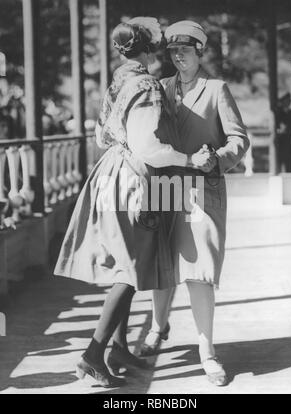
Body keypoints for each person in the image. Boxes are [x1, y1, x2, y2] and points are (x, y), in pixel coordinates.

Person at [54, 17, 206, 388]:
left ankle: (118, 347)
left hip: (113, 173)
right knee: (132, 268)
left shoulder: (118, 81)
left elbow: (100, 136)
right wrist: (188, 160)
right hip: (138, 180)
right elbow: (149, 147)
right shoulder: (148, 84)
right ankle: (93, 354)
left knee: (130, 262)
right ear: (151, 47)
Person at [140, 20, 250, 387]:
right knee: (161, 263)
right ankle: (158, 329)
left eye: (185, 50)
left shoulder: (217, 88)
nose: (177, 57)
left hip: (203, 185)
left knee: (199, 271)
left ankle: (207, 352)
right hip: (165, 183)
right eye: (172, 51)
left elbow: (239, 139)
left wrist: (217, 158)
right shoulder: (159, 88)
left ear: (200, 51)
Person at [276, 92, 291, 173]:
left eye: (289, 100)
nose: (288, 102)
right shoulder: (278, 113)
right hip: (281, 144)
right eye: (285, 100)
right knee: (280, 164)